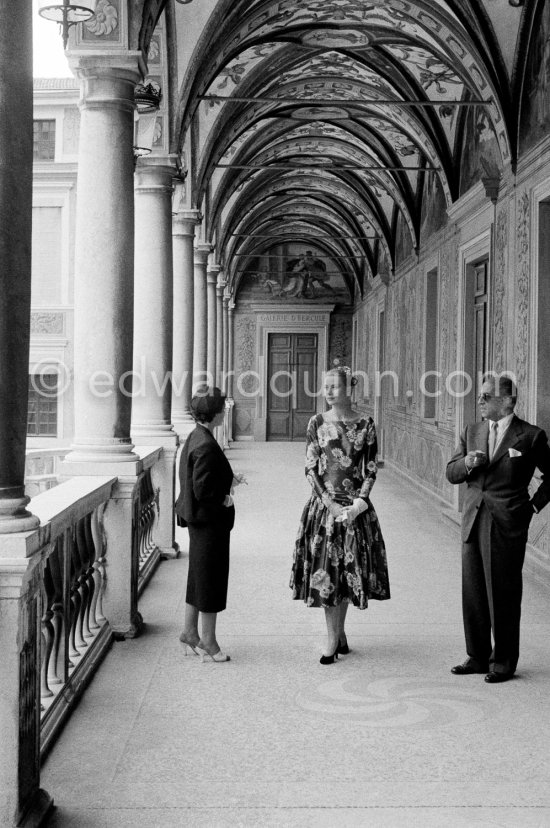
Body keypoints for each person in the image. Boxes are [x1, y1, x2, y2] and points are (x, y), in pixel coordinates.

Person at [446, 374, 550, 683]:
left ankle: (503, 662)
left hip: (507, 522)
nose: (479, 400)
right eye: (480, 395)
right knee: (474, 591)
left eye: (486, 396)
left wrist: (531, 506)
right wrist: (467, 462)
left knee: (503, 593)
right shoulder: (472, 431)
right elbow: (452, 473)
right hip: (473, 519)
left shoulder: (530, 436)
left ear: (507, 401)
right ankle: (477, 656)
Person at [290, 366, 390, 664]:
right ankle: (334, 638)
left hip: (355, 510)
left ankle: (338, 633)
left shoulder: (366, 423)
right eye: (326, 387)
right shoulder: (316, 422)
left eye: (334, 386)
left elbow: (370, 468)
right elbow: (310, 467)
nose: (329, 392)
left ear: (349, 388)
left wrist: (359, 503)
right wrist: (329, 504)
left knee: (347, 572)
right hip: (324, 509)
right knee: (326, 573)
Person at [175, 386, 244, 663]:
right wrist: (226, 497)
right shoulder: (204, 443)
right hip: (208, 522)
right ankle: (208, 641)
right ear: (216, 414)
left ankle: (189, 632)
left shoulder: (195, 436)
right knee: (211, 580)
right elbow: (204, 490)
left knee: (198, 576)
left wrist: (229, 478)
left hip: (198, 521)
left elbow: (202, 477)